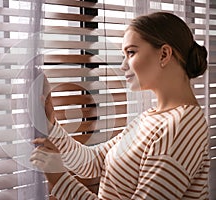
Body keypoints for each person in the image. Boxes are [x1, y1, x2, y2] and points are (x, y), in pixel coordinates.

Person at [30, 12, 210, 199]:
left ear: (164, 54)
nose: (123, 65)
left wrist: (59, 178)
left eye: (131, 52)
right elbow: (94, 162)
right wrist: (51, 124)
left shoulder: (182, 128)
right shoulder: (152, 117)